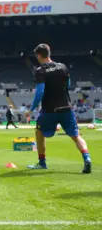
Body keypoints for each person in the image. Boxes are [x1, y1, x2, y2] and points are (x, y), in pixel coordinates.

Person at [26, 44, 92, 173]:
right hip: (66, 106)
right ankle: (87, 159)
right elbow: (67, 84)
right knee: (76, 136)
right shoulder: (62, 67)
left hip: (50, 109)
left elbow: (40, 92)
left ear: (38, 55)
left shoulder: (40, 71)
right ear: (49, 53)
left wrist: (31, 109)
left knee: (39, 132)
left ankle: (42, 162)